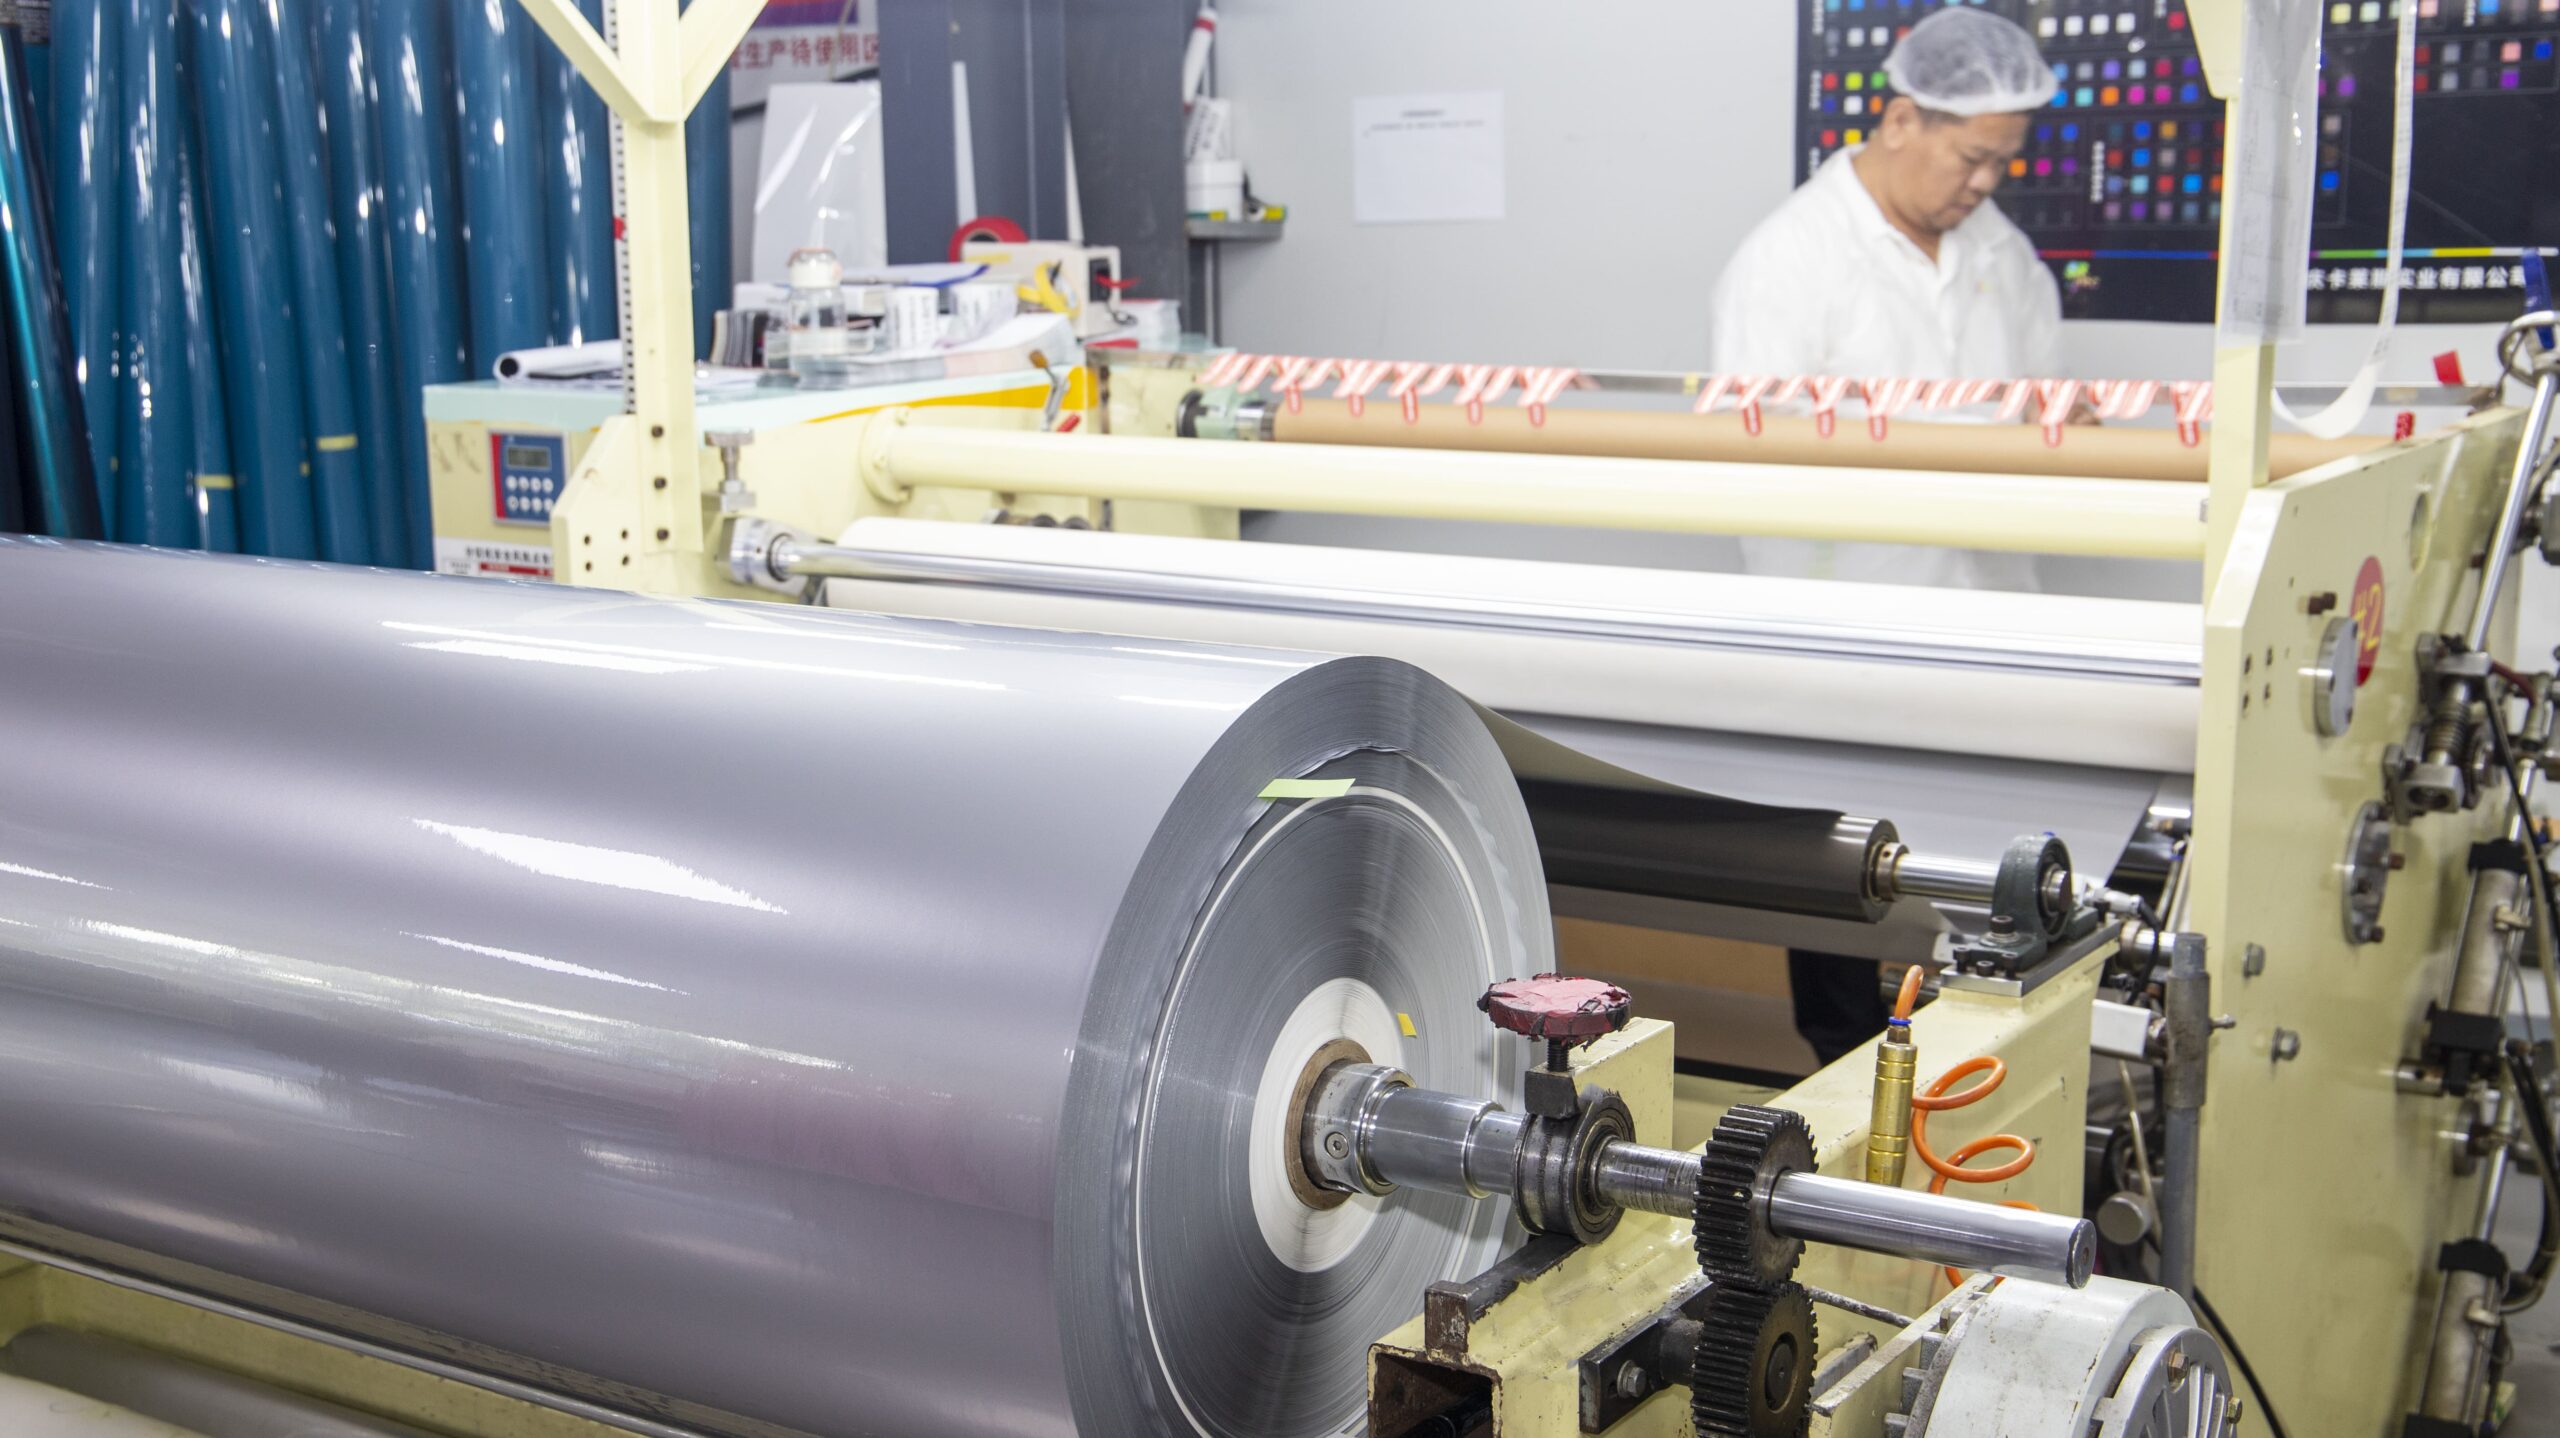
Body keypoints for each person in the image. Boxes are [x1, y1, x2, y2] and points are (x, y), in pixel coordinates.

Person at [1710, 8, 2065, 1065]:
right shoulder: (1790, 260)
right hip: (1845, 631)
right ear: (1902, 119)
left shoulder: (2003, 257)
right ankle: (1845, 1089)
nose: (1986, 182)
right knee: (1841, 895)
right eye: (1972, 157)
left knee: (1986, 906)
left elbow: (2040, 415)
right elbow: (1754, 454)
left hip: (1988, 626)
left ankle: (1974, 1086)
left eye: (2004, 160)